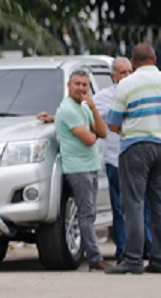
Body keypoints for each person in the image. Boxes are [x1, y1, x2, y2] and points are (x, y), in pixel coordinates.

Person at [105, 43, 161, 274]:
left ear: (133, 62)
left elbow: (112, 123)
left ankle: (133, 259)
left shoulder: (126, 84)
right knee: (158, 204)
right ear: (154, 60)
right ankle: (158, 260)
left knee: (134, 203)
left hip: (135, 147)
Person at [93, 57, 152, 263]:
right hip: (115, 158)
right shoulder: (103, 97)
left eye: (129, 71)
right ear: (113, 76)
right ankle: (124, 249)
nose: (127, 76)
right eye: (122, 72)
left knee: (144, 205)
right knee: (119, 208)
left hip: (140, 156)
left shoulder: (140, 91)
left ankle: (147, 248)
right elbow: (85, 114)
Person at [55, 69, 109, 271]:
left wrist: (93, 108)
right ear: (69, 86)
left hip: (91, 166)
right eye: (77, 84)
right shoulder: (68, 109)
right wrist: (93, 134)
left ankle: (94, 255)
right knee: (86, 215)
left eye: (84, 85)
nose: (81, 88)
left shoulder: (84, 108)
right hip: (78, 168)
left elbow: (102, 132)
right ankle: (94, 258)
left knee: (90, 214)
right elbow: (88, 139)